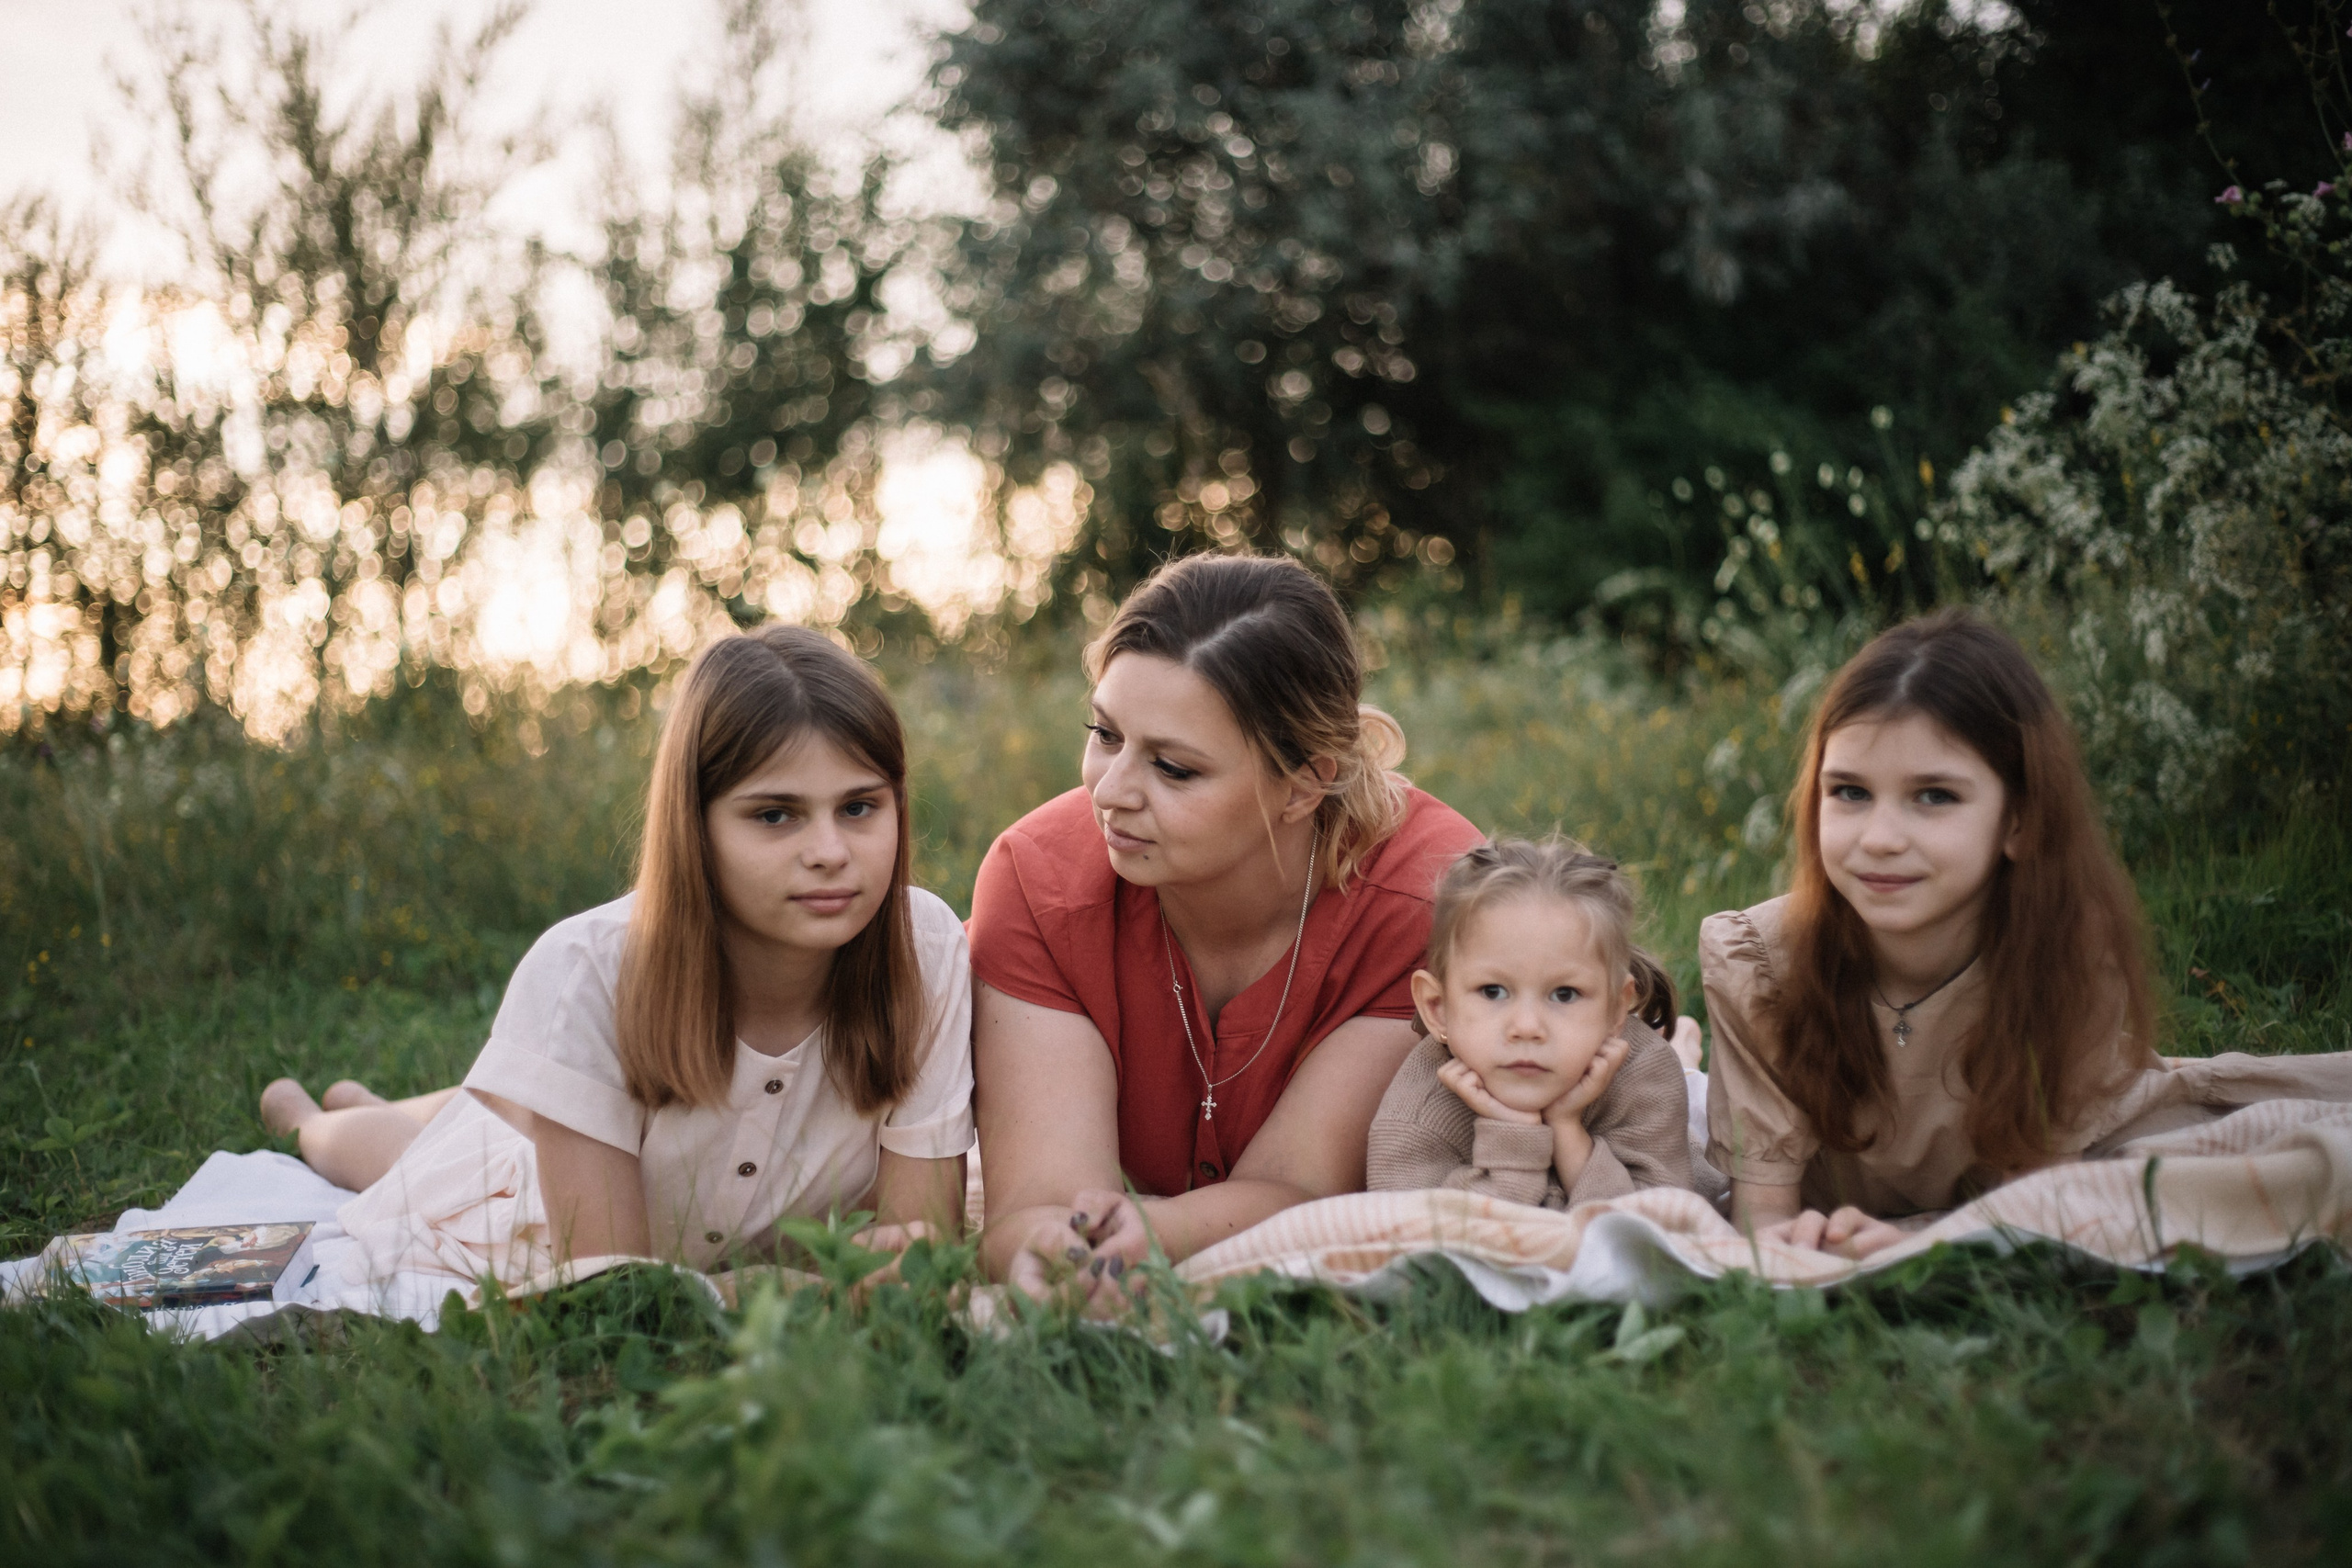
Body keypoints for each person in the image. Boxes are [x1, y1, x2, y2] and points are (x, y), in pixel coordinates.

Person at [261, 625, 973, 1281]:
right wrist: (801, 1287)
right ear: (695, 824)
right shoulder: (586, 969)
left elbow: (916, 1255)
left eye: (858, 807)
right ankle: (307, 1115)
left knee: (496, 1113)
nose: (829, 852)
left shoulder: (927, 947)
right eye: (775, 814)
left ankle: (458, 1099)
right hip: (532, 1215)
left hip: (657, 1168)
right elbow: (621, 1292)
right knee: (419, 1162)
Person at [1703, 609, 2352, 1259]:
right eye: (1850, 792)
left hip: (2031, 1185)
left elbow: (2032, 1213)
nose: (1880, 838)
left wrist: (1918, 1243)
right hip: (1848, 1205)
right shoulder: (1760, 964)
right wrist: (1801, 1245)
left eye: (1934, 796)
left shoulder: (2062, 955)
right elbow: (1763, 1222)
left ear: (2019, 820)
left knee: (2230, 1181)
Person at [967, 553, 1486, 1303]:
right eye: (1104, 734)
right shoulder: (1036, 882)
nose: (1110, 792)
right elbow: (1040, 1198)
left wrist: (1154, 1236)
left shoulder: (1428, 901)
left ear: (1304, 784)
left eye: (1173, 768)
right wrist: (1052, 1249)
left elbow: (1301, 1184)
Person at [1367, 836, 1698, 1207]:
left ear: (1616, 1010)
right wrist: (1515, 1134)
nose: (1526, 1027)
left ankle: (1684, 1055)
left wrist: (1567, 1130)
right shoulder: (1415, 1118)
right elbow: (1435, 1237)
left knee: (1695, 1100)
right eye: (1493, 991)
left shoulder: (1644, 1071)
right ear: (1437, 1008)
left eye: (1564, 994)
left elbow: (1655, 1229)